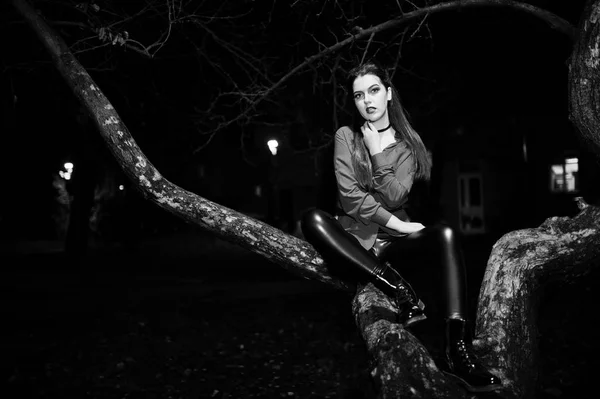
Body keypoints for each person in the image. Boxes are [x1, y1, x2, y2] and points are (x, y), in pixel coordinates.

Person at [301, 59, 502, 393]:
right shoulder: (346, 137)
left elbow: (396, 195)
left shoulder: (408, 146)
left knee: (447, 234)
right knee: (312, 219)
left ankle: (458, 350)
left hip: (395, 242)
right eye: (359, 95)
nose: (367, 100)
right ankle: (398, 288)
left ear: (389, 94)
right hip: (353, 243)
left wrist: (379, 154)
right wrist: (399, 223)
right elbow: (350, 199)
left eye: (374, 90)